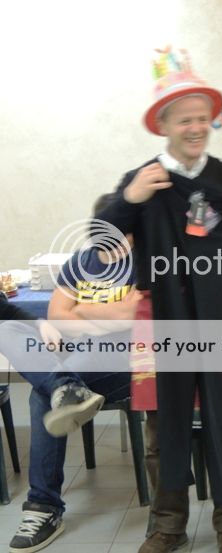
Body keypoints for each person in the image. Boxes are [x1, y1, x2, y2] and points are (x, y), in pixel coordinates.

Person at [98, 48, 222, 553]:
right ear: (163, 124)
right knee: (163, 427)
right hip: (160, 315)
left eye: (202, 118)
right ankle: (168, 526)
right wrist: (130, 200)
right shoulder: (142, 179)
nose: (195, 128)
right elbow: (101, 240)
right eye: (184, 119)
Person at [0, 194, 141, 553]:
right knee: (7, 330)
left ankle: (43, 508)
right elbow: (56, 316)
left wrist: (80, 314)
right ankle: (65, 386)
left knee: (42, 392)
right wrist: (94, 318)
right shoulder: (81, 261)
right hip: (79, 352)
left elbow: (132, 316)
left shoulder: (148, 262)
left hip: (126, 359)